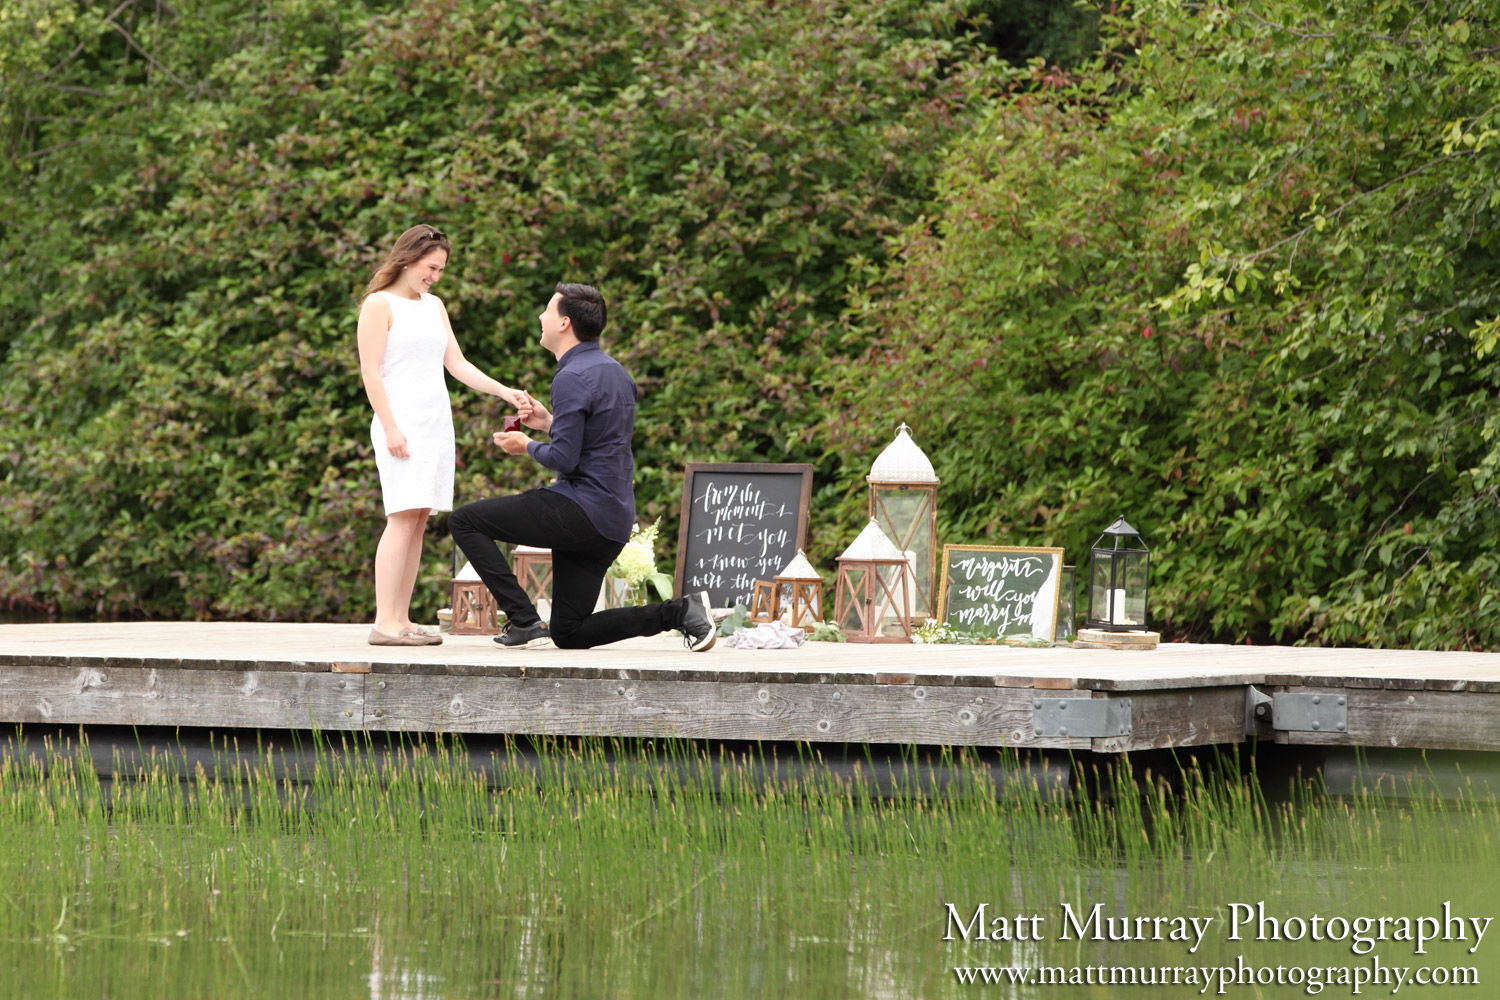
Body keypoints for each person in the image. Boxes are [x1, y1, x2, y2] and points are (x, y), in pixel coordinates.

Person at [449, 282, 715, 652]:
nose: (541, 317)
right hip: (612, 520)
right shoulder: (617, 372)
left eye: (547, 310)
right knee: (570, 632)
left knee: (464, 520)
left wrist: (525, 444)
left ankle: (524, 620)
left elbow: (564, 459)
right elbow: (599, 441)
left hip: (580, 510)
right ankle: (680, 612)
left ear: (564, 323)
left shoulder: (571, 376)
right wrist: (546, 423)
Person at [358, 225, 529, 646]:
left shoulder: (434, 306)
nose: (435, 276)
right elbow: (370, 371)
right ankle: (384, 621)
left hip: (435, 425)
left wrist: (503, 390)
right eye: (431, 267)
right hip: (400, 425)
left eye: (440, 270)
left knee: (419, 520)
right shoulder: (377, 305)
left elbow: (457, 364)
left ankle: (401, 618)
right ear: (408, 258)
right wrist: (391, 426)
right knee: (400, 517)